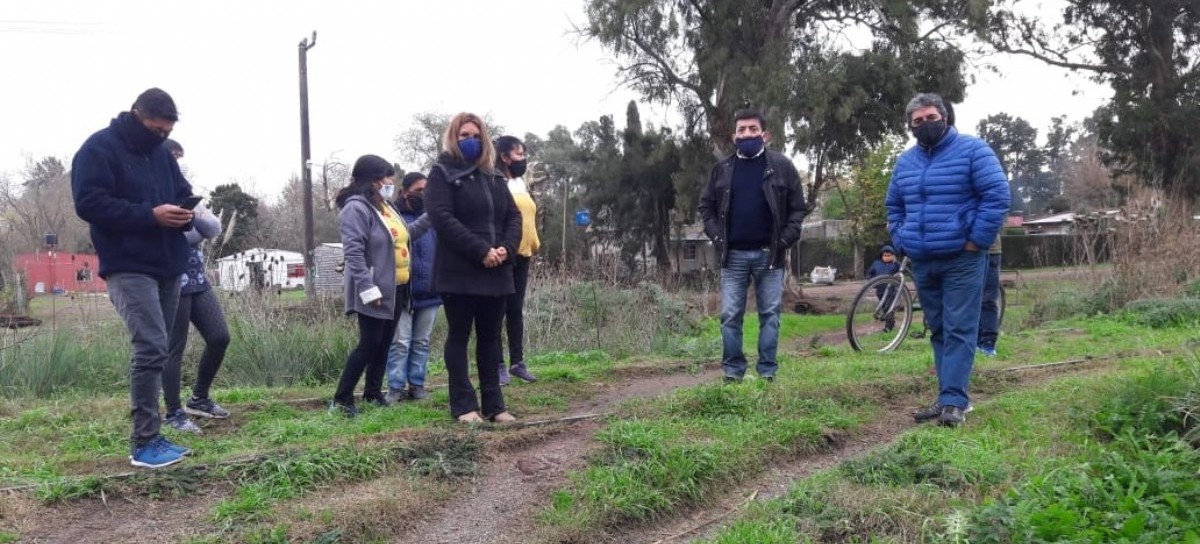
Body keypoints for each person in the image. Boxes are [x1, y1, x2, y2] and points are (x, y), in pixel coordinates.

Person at [71, 88, 195, 468]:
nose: (161, 137)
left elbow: (182, 191)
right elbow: (88, 203)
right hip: (127, 263)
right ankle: (144, 441)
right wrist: (149, 215)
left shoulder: (161, 155)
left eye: (166, 131)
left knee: (165, 346)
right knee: (151, 346)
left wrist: (188, 211)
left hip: (169, 263)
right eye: (156, 129)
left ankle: (155, 433)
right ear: (136, 115)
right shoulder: (99, 149)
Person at [885, 93, 1011, 427]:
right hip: (923, 260)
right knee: (938, 328)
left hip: (962, 257)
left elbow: (997, 196)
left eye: (931, 117)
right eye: (917, 121)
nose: (925, 124)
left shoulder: (974, 151)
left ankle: (955, 401)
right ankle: (948, 399)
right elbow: (894, 206)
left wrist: (976, 242)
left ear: (945, 117)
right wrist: (901, 238)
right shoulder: (905, 163)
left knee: (959, 327)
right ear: (910, 126)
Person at [426, 112, 522, 424]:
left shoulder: (494, 175)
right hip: (460, 271)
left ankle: (495, 406)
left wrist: (506, 248)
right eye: (464, 135)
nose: (471, 140)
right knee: (459, 336)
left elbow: (513, 216)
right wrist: (480, 251)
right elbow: (442, 218)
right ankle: (464, 406)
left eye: (476, 135)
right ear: (454, 138)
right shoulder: (442, 172)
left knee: (491, 340)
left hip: (497, 271)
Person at [698, 109, 806, 383]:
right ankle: (733, 374)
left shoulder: (782, 167)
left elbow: (797, 209)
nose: (747, 134)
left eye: (752, 129)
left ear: (764, 134)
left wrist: (784, 239)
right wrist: (716, 237)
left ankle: (767, 373)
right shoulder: (721, 170)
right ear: (734, 136)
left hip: (770, 256)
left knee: (770, 316)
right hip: (731, 256)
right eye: (742, 130)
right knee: (730, 316)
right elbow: (706, 207)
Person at [333, 155, 429, 417]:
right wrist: (368, 289)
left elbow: (406, 235)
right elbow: (354, 253)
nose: (390, 182)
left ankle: (373, 393)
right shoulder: (356, 208)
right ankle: (341, 399)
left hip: (397, 287)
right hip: (374, 289)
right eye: (386, 178)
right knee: (369, 343)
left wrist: (433, 216)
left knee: (384, 342)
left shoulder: (385, 207)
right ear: (373, 180)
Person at [161, 140, 232, 435]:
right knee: (173, 349)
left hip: (198, 278)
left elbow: (213, 228)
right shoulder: (154, 194)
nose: (178, 163)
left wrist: (193, 215)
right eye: (174, 157)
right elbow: (186, 235)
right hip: (172, 280)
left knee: (220, 337)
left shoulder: (185, 192)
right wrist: (191, 226)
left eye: (180, 158)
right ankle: (173, 413)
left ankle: (199, 398)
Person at [385, 172, 441, 403]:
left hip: (430, 290)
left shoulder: (436, 219)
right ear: (404, 191)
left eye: (427, 191)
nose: (423, 195)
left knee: (421, 341)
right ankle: (395, 388)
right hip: (402, 290)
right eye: (419, 190)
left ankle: (417, 385)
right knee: (399, 342)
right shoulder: (392, 217)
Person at [495, 135, 539, 385]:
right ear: (504, 156)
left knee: (515, 311)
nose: (523, 159)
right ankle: (497, 365)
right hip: (503, 256)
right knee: (496, 312)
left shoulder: (520, 184)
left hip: (524, 255)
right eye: (519, 154)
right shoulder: (496, 182)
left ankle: (517, 363)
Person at [865, 245, 902, 332]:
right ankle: (888, 319)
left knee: (889, 308)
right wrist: (874, 283)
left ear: (892, 256)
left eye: (889, 255)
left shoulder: (896, 264)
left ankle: (888, 327)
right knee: (883, 306)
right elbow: (869, 274)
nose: (887, 257)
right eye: (885, 255)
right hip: (880, 291)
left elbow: (902, 273)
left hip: (891, 291)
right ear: (881, 255)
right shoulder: (876, 264)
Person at [977, 238, 1003, 356]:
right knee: (972, 301)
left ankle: (987, 344)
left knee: (987, 299)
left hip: (989, 250)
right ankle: (977, 342)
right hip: (968, 251)